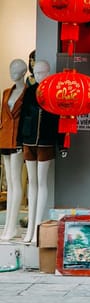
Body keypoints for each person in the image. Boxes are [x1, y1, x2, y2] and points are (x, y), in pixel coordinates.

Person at [17, 60, 62, 244]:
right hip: (29, 141)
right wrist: (19, 140)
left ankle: (37, 228)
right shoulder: (29, 92)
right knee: (32, 183)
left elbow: (61, 119)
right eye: (36, 72)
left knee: (41, 183)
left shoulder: (54, 92)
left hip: (46, 141)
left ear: (48, 71)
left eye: (43, 71)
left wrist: (62, 144)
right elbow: (22, 117)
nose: (40, 75)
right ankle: (30, 228)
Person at [0, 59, 27, 241]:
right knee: (9, 183)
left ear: (23, 72)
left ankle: (11, 225)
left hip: (17, 140)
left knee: (16, 182)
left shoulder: (27, 93)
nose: (12, 71)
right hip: (4, 139)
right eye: (11, 68)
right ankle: (11, 226)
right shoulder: (6, 93)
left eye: (16, 69)